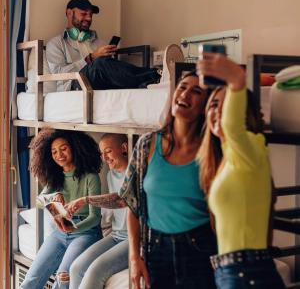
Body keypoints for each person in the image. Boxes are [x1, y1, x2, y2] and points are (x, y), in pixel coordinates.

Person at [119, 71, 217, 289]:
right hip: (156, 249)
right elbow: (133, 206)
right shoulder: (146, 145)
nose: (185, 94)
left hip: (200, 250)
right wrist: (135, 257)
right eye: (182, 87)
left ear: (205, 105)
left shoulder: (212, 150)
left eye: (196, 91)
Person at [197, 52, 285, 289]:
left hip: (247, 274)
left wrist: (236, 80)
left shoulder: (252, 146)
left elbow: (232, 128)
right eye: (213, 105)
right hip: (234, 273)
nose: (217, 112)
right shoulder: (227, 160)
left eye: (226, 106)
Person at [21, 129, 102, 289]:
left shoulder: (90, 177)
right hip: (60, 233)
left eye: (63, 148)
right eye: (54, 152)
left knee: (63, 277)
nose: (59, 154)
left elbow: (95, 217)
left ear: (74, 148)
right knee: (31, 279)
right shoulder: (55, 178)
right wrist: (53, 196)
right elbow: (38, 202)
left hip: (86, 232)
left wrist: (73, 228)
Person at [46, 0, 161, 91]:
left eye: (91, 15)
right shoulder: (56, 44)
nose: (89, 18)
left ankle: (151, 80)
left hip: (101, 82)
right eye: (84, 14)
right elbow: (58, 75)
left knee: (106, 64)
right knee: (99, 63)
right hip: (74, 85)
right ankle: (156, 75)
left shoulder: (100, 43)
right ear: (69, 13)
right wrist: (91, 58)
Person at [64, 133, 129, 289]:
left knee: (95, 270)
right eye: (102, 153)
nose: (105, 158)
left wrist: (85, 200)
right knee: (76, 268)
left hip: (134, 239)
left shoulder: (136, 173)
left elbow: (120, 200)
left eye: (108, 151)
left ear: (124, 148)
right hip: (116, 234)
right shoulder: (110, 175)